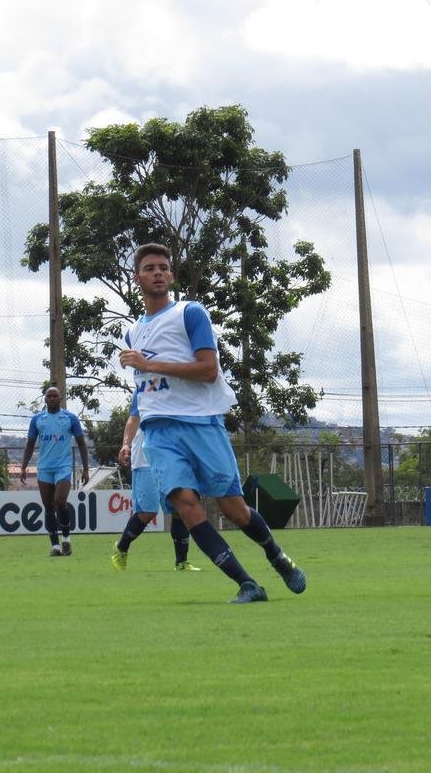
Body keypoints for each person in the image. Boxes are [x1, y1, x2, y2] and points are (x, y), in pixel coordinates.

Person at [118, 242, 306, 604]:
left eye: (163, 267)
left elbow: (208, 370)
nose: (158, 272)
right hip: (158, 432)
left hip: (201, 424)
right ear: (137, 278)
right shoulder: (132, 333)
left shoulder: (190, 313)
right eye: (149, 268)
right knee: (187, 506)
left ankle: (277, 556)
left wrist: (149, 364)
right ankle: (247, 584)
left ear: (171, 275)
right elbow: (143, 391)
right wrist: (131, 433)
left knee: (235, 509)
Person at [110, 408, 201, 572]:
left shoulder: (176, 389)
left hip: (168, 459)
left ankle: (181, 562)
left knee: (179, 509)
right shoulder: (145, 390)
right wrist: (126, 444)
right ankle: (121, 548)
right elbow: (133, 419)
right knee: (147, 513)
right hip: (144, 460)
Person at [20, 386, 90, 556]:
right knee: (48, 506)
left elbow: (81, 444)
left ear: (61, 398)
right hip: (44, 468)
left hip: (63, 467)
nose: (52, 398)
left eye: (55, 396)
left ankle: (66, 539)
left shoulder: (70, 418)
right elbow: (30, 445)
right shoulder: (38, 419)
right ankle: (55, 546)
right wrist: (23, 467)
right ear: (45, 399)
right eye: (49, 396)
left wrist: (86, 469)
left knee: (60, 501)